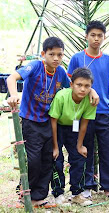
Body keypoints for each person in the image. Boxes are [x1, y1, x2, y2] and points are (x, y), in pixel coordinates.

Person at [6, 37, 70, 208]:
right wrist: (13, 95)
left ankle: (39, 197)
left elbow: (73, 87)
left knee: (47, 159)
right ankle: (24, 193)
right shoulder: (35, 66)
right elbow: (12, 78)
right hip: (30, 121)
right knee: (33, 160)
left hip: (49, 121)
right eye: (51, 54)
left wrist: (91, 91)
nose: (56, 58)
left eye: (60, 55)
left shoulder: (61, 72)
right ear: (43, 54)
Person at [67, 20, 109, 200]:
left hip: (104, 112)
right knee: (84, 149)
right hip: (82, 113)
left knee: (107, 150)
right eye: (93, 35)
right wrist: (90, 89)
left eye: (100, 35)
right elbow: (70, 83)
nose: (96, 39)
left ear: (104, 37)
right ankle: (86, 187)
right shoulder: (77, 58)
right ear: (86, 36)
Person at [49, 67, 96, 206]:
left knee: (79, 156)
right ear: (71, 84)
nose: (82, 89)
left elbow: (84, 124)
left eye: (87, 86)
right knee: (57, 158)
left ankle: (77, 193)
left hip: (73, 128)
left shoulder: (90, 100)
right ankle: (58, 193)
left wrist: (80, 145)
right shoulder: (62, 96)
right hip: (57, 127)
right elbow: (53, 121)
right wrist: (55, 147)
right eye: (79, 85)